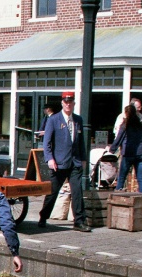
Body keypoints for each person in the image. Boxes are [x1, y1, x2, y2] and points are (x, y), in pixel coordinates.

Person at [38, 91, 91, 232]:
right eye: (65, 102)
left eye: (70, 102)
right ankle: (43, 216)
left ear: (74, 103)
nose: (68, 104)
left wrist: (83, 159)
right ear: (62, 103)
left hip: (75, 162)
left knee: (77, 192)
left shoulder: (78, 120)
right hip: (59, 163)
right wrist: (50, 159)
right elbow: (47, 142)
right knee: (52, 192)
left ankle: (79, 221)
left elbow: (81, 142)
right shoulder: (53, 120)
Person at [109, 105, 142, 192]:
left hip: (128, 153)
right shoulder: (140, 125)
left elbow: (119, 138)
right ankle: (141, 199)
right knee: (140, 179)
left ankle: (117, 196)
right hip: (140, 153)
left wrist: (111, 150)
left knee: (121, 177)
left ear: (126, 113)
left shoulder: (125, 124)